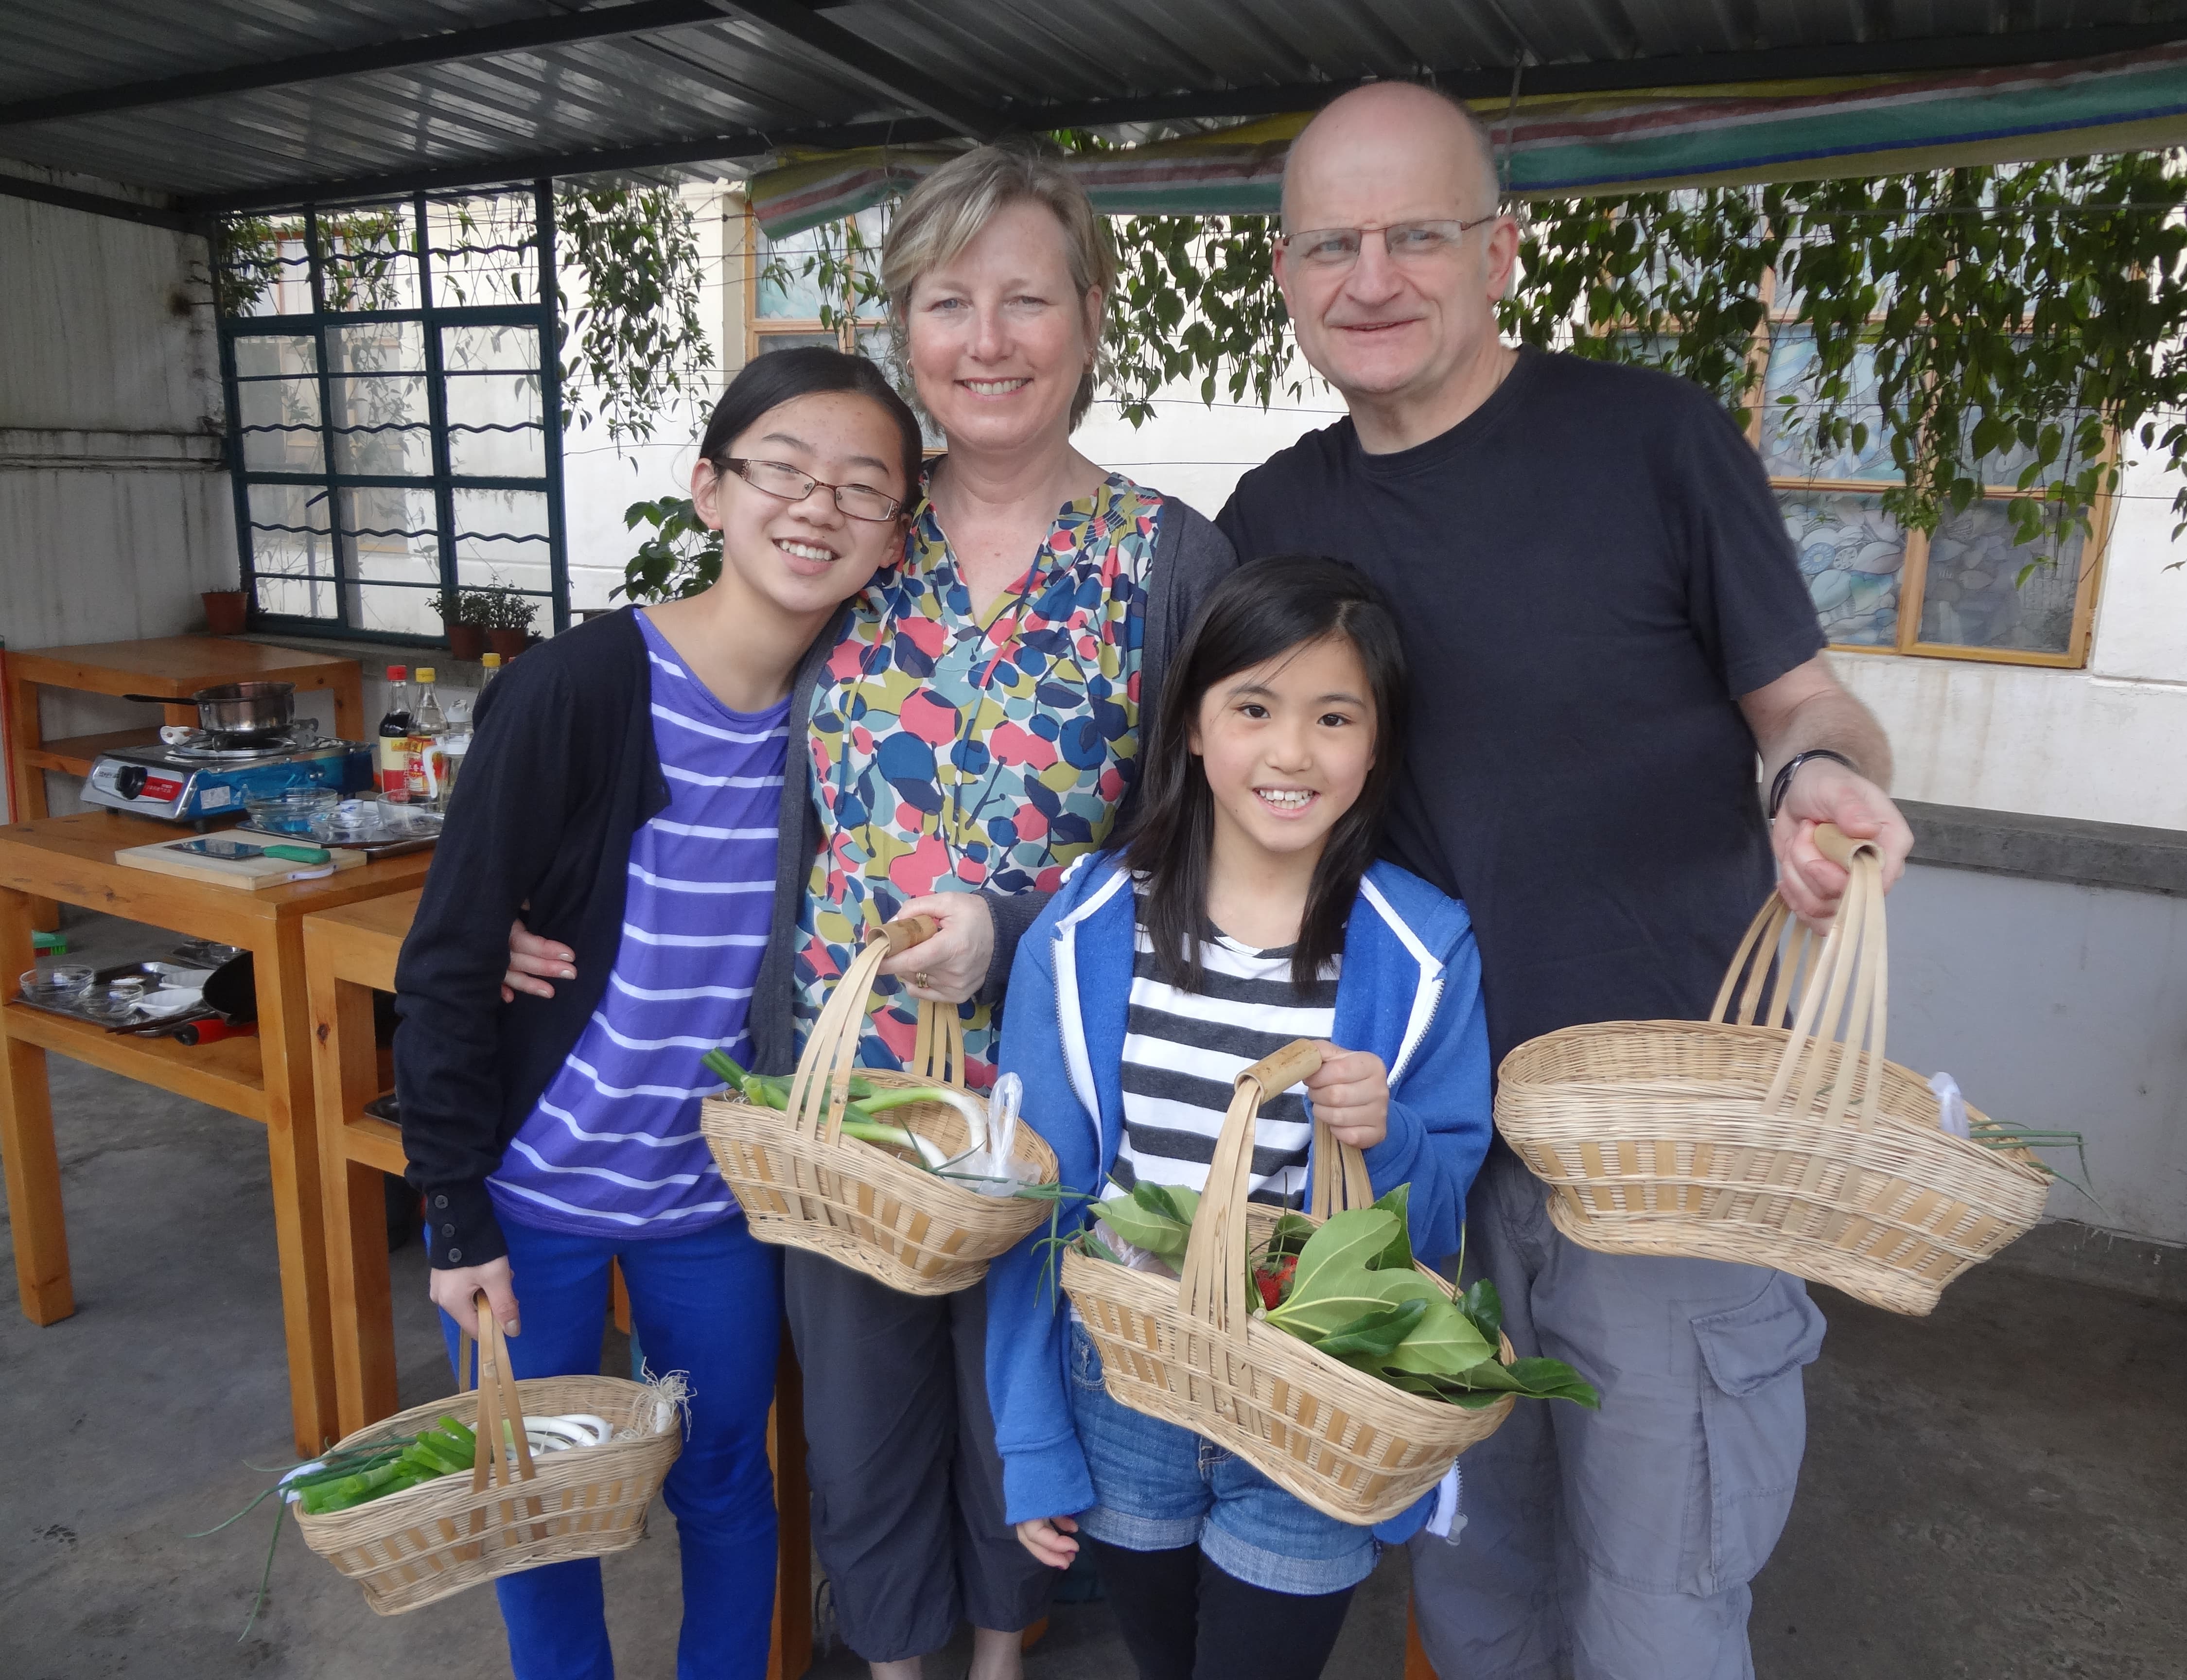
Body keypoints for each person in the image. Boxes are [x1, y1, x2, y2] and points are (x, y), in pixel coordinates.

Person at [503, 140, 1237, 1680]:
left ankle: (997, 1659)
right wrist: (532, 900)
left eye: (1027, 298)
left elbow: (1205, 833)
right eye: (948, 301)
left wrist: (1021, 917)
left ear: (1092, 318)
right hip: (838, 1093)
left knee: (1018, 1406)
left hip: (1052, 1100)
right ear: (907, 325)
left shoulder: (1167, 562)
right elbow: (705, 734)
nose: (987, 340)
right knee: (859, 1420)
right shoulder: (856, 540)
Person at [1215, 83, 1919, 1680]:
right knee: (1473, 1595)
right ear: (1285, 273)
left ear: (1500, 249)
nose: (1372, 276)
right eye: (1331, 243)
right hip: (1408, 1155)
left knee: (1656, 1609)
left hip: (1655, 1157)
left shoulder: (1652, 439)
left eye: (1418, 234)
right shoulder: (1276, 513)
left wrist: (1816, 774)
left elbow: (1803, 700)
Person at [392, 346, 922, 1680]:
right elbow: (452, 959)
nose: (817, 509)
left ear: (896, 537)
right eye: (782, 471)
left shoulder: (850, 712)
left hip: (717, 1207)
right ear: (708, 491)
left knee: (729, 1480)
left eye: (862, 489)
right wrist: (452, 1212)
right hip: (533, 1199)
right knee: (539, 1504)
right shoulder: (575, 689)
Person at [985, 555, 1495, 1680]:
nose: (1293, 752)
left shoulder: (1421, 950)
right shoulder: (1084, 931)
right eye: (1254, 708)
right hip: (1122, 1383)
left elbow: (1447, 1206)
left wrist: (1393, 1135)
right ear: (1197, 728)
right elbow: (1037, 1199)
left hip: (1312, 1405)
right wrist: (1030, 1436)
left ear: (1377, 745)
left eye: (1335, 716)